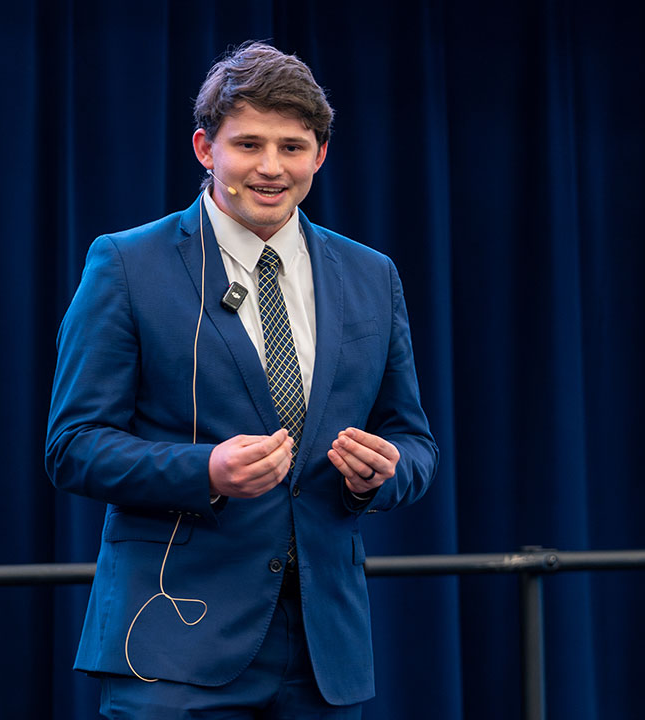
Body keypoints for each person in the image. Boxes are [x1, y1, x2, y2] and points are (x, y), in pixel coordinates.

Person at [45, 41, 438, 719]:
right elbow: (73, 445)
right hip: (172, 646)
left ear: (319, 154)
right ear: (205, 148)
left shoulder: (373, 275)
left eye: (292, 146)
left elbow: (413, 439)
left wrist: (387, 470)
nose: (270, 167)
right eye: (248, 143)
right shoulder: (127, 265)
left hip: (324, 655)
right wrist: (207, 472)